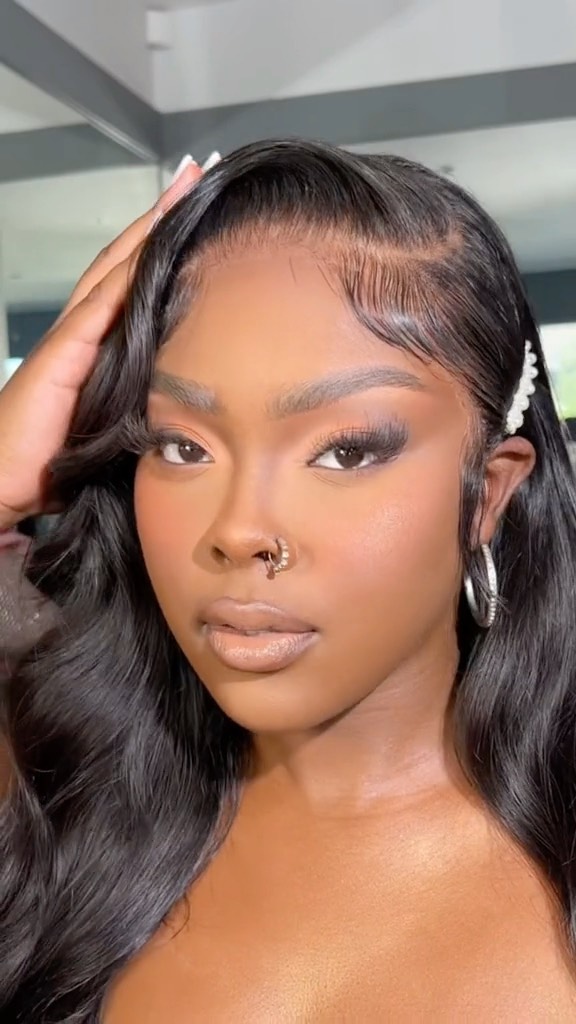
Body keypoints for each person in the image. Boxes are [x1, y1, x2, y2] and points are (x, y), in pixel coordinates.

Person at [1, 139, 576, 1023]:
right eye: (182, 446)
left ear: (488, 493)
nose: (239, 531)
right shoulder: (55, 796)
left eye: (345, 452)